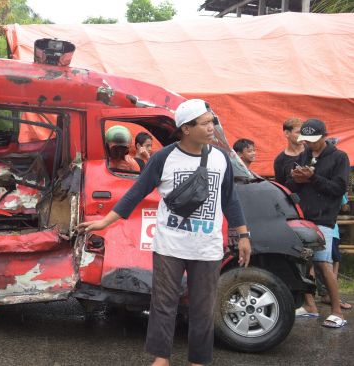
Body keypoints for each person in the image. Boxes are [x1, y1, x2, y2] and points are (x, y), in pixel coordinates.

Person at [79, 99, 251, 366]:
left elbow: (230, 198)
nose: (212, 127)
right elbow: (136, 193)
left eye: (211, 121)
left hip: (207, 246)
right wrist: (106, 221)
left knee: (203, 307)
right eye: (205, 123)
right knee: (163, 304)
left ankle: (199, 360)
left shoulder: (220, 158)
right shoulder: (163, 157)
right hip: (169, 245)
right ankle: (161, 358)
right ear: (186, 128)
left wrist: (243, 235)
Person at [285, 119, 349, 328]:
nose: (309, 144)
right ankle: (310, 306)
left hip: (324, 218)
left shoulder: (339, 157)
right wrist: (296, 178)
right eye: (307, 140)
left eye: (314, 140)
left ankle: (337, 311)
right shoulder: (304, 154)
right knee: (304, 263)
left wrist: (313, 178)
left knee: (323, 263)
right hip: (303, 215)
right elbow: (292, 185)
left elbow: (338, 189)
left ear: (324, 136)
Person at [273, 117, 304, 184]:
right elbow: (281, 187)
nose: (302, 136)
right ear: (287, 133)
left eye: (303, 132)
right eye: (298, 132)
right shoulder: (280, 160)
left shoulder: (312, 151)